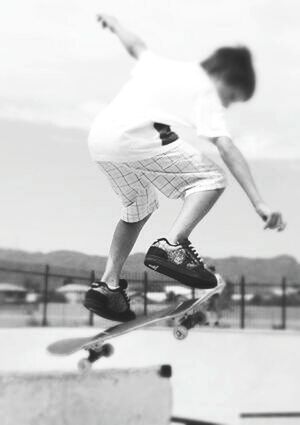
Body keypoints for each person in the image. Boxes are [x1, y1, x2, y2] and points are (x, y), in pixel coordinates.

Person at [83, 14, 286, 322]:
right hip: (136, 140)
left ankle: (108, 287)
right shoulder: (206, 89)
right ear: (224, 77)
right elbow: (226, 146)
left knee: (138, 206)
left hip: (100, 141)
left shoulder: (161, 65)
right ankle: (172, 245)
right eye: (231, 97)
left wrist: (114, 24)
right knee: (211, 178)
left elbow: (135, 45)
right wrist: (258, 201)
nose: (228, 105)